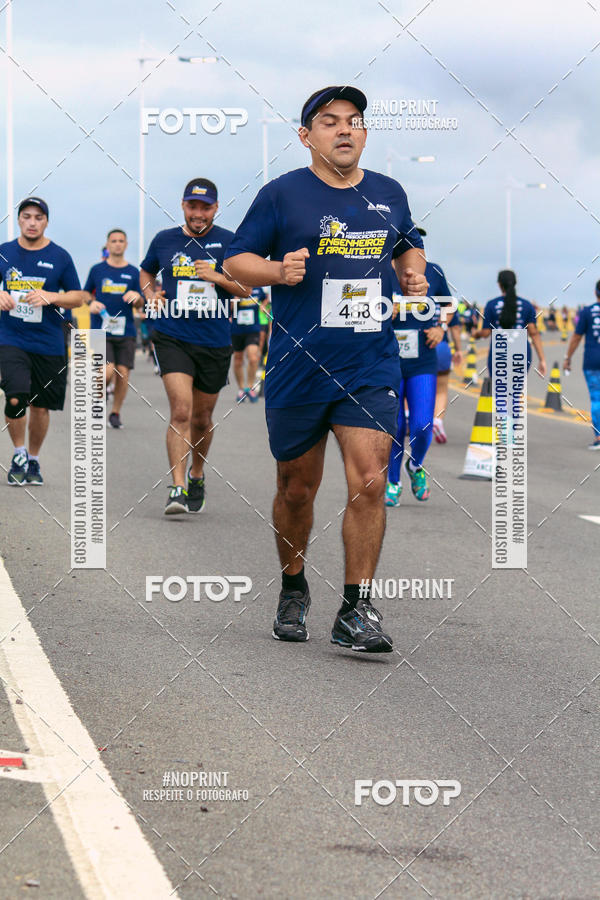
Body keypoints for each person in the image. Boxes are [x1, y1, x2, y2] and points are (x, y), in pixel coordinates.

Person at [225, 85, 427, 653]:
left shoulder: (389, 193)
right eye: (330, 121)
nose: (345, 130)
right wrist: (275, 270)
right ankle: (294, 588)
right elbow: (235, 261)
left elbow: (409, 244)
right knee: (297, 488)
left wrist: (414, 271)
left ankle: (356, 609)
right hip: (298, 366)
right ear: (306, 135)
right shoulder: (281, 196)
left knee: (370, 477)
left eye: (354, 121)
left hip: (369, 362)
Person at [139, 178, 250, 515]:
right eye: (192, 206)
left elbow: (246, 288)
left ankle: (197, 473)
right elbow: (145, 273)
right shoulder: (165, 240)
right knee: (182, 411)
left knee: (202, 419)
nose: (198, 213)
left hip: (214, 341)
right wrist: (150, 294)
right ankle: (177, 486)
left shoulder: (230, 242)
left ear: (215, 208)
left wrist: (217, 277)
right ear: (183, 206)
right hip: (172, 336)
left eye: (205, 207)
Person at [0, 197, 84, 485]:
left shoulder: (60, 257)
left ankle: (33, 459)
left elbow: (79, 296)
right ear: (19, 220)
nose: (32, 222)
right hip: (11, 337)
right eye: (26, 216)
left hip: (48, 341)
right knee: (16, 395)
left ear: (46, 221)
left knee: (41, 406)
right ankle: (19, 453)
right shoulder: (5, 252)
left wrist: (54, 297)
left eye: (38, 217)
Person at [384, 261, 445, 507]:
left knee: (422, 424)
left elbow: (446, 307)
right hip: (388, 361)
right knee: (395, 426)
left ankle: (415, 465)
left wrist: (441, 328)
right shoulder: (378, 270)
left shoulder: (434, 272)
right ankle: (393, 482)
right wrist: (384, 313)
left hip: (423, 360)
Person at [83, 229, 143, 429]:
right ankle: (98, 400)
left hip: (125, 331)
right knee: (106, 371)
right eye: (113, 241)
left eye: (121, 241)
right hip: (101, 329)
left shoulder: (134, 273)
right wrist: (90, 303)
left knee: (123, 374)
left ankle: (115, 413)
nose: (117, 244)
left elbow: (140, 304)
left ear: (126, 245)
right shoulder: (97, 270)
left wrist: (137, 298)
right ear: (107, 245)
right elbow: (85, 294)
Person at [473, 270, 546, 378]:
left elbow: (486, 333)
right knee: (515, 391)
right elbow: (534, 333)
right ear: (515, 283)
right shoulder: (527, 305)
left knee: (500, 391)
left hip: (499, 351)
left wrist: (476, 334)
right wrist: (542, 359)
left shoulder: (491, 305)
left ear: (499, 284)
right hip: (521, 352)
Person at [564, 281, 600, 449]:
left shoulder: (587, 312)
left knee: (596, 398)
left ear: (595, 293)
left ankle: (599, 437)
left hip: (592, 361)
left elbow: (576, 337)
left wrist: (568, 358)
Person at [231, 286, 266, 402]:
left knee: (253, 358)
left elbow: (265, 298)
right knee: (238, 359)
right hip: (237, 329)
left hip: (253, 329)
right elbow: (228, 307)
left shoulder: (257, 289)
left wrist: (263, 306)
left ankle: (250, 387)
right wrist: (235, 299)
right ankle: (241, 389)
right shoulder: (234, 287)